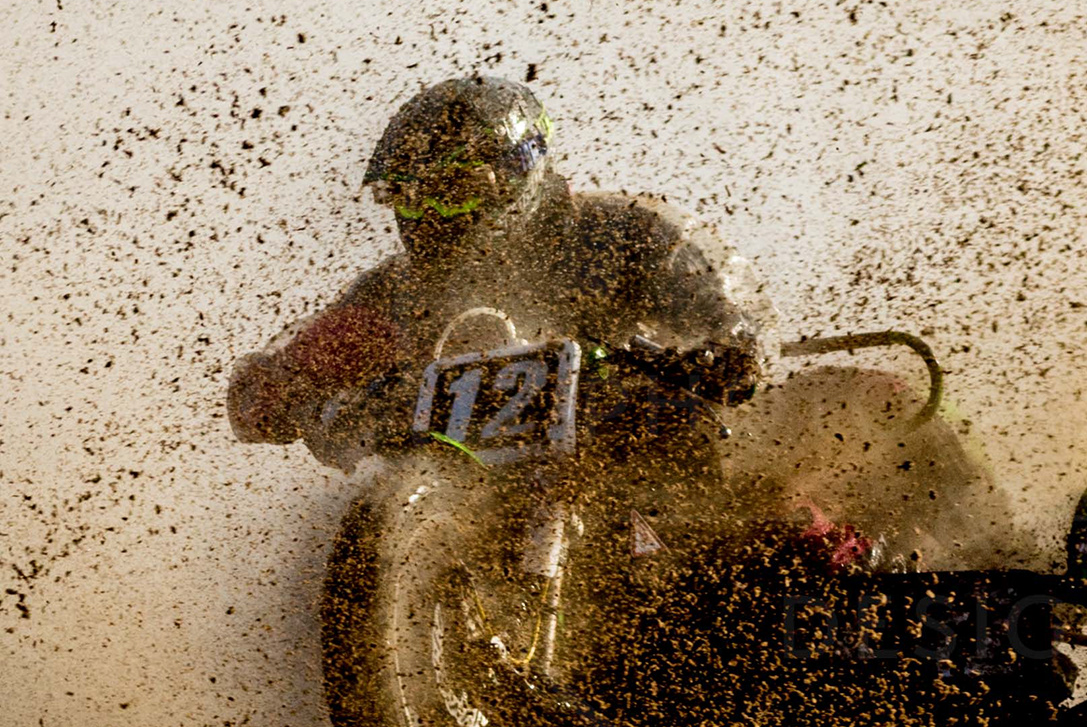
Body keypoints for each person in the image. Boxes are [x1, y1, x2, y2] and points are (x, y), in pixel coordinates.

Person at [227, 75, 775, 468]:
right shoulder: (395, 291)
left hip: (653, 460)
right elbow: (296, 367)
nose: (430, 217)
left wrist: (724, 352)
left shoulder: (630, 235)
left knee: (789, 544)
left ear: (522, 176)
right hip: (466, 485)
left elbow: (732, 326)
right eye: (408, 197)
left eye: (453, 191)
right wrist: (275, 390)